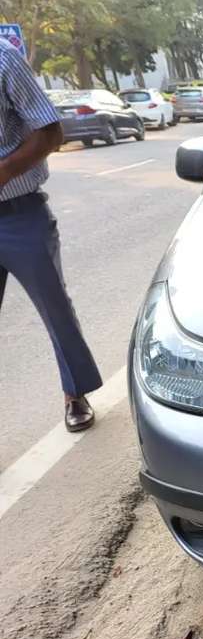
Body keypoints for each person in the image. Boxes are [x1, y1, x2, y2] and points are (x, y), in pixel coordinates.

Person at [0, 38, 102, 431]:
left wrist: (4, 171)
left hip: (18, 214)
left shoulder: (5, 59)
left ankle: (75, 393)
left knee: (54, 307)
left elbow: (51, 132)